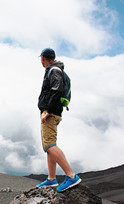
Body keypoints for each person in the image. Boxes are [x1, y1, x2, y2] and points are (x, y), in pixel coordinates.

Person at [36, 48, 81, 192]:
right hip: (53, 112)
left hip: (51, 113)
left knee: (50, 145)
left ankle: (71, 175)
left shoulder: (54, 70)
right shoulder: (56, 69)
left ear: (43, 58)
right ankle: (51, 179)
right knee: (49, 146)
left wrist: (48, 111)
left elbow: (57, 90)